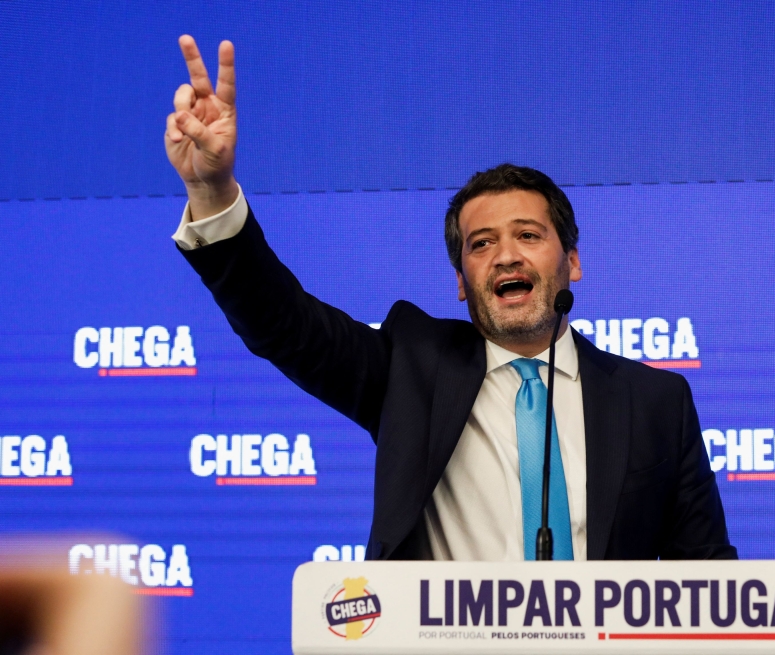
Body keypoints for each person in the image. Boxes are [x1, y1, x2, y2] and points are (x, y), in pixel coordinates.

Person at [164, 35, 736, 561]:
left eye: (528, 236)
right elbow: (283, 325)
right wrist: (211, 192)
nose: (507, 256)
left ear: (573, 262)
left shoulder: (656, 400)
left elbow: (709, 578)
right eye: (481, 244)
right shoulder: (410, 369)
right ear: (462, 281)